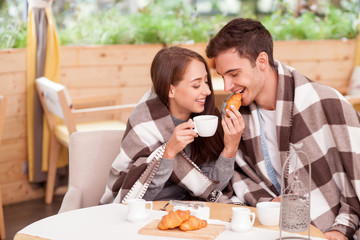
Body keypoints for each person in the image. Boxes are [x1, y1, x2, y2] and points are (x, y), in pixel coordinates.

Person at [206, 18, 360, 240]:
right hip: (267, 227)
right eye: (223, 77)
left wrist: (341, 229)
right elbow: (234, 179)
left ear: (261, 60)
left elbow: (355, 178)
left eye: (234, 74)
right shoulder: (234, 115)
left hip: (328, 230)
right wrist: (269, 205)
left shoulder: (326, 103)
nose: (228, 86)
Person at [100, 46, 243, 204]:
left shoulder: (206, 118)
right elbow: (137, 198)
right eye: (196, 85)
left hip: (191, 208)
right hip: (149, 212)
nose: (208, 91)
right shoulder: (145, 125)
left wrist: (230, 148)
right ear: (171, 91)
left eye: (206, 81)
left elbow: (212, 190)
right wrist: (169, 153)